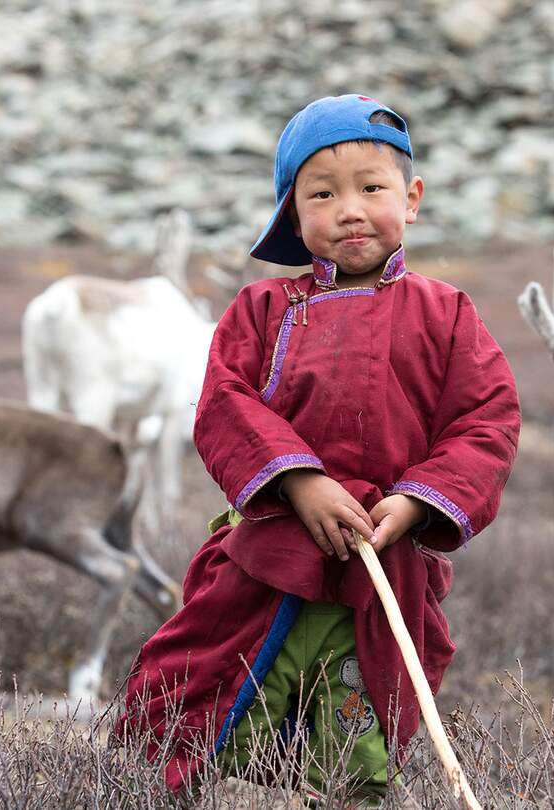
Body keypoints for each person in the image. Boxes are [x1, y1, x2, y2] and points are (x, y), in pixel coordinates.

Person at [120, 93, 520, 804]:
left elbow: (484, 422)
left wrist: (417, 501)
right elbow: (224, 403)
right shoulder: (262, 311)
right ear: (292, 214)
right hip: (269, 567)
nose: (351, 209)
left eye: (372, 188)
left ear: (412, 197)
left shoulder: (448, 314)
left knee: (357, 757)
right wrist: (300, 482)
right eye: (323, 194)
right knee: (211, 716)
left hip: (382, 576)